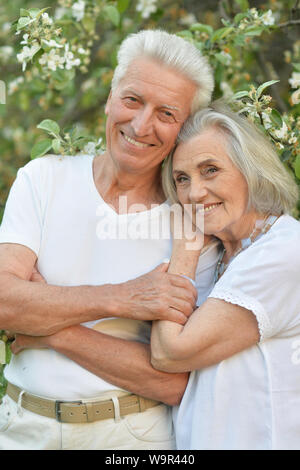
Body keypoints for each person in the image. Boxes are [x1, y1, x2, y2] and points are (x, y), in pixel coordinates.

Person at [0, 30, 214, 450]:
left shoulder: (192, 224)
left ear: (183, 130)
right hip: (22, 427)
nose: (140, 125)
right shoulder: (43, 179)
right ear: (110, 96)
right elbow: (4, 301)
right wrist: (124, 298)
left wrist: (49, 330)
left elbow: (173, 382)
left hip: (132, 437)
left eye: (166, 113)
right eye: (132, 100)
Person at [151, 102, 300, 450]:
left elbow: (168, 353)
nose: (194, 193)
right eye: (182, 179)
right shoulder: (219, 253)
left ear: (251, 171)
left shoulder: (283, 252)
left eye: (211, 170)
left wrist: (184, 251)